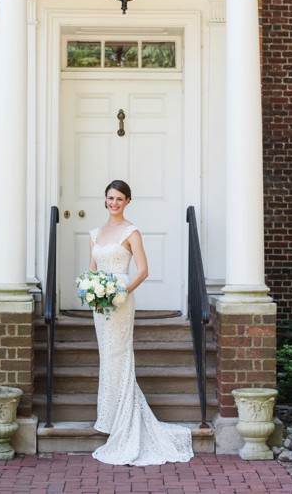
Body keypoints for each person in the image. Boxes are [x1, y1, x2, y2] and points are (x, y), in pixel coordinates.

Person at [87, 179, 194, 466]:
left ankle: (125, 426)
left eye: (120, 199)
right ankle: (111, 421)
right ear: (105, 199)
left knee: (119, 358)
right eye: (110, 198)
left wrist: (119, 292)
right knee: (106, 359)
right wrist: (91, 292)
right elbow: (91, 271)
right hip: (100, 305)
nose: (114, 203)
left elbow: (143, 270)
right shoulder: (95, 233)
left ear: (127, 201)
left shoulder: (131, 231)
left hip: (120, 302)